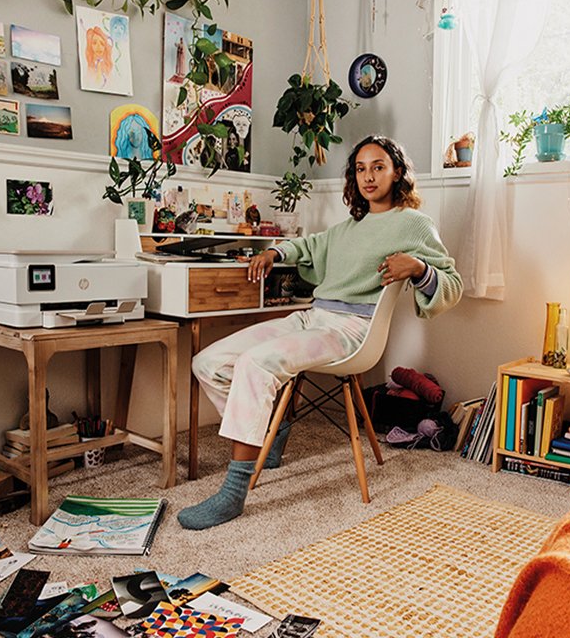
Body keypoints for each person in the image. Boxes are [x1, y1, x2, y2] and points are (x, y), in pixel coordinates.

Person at [178, 135, 463, 530]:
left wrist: (418, 267)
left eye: (378, 166)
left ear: (397, 172)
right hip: (314, 318)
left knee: (257, 364)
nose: (368, 176)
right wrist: (275, 252)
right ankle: (267, 438)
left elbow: (451, 282)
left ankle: (233, 492)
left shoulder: (414, 224)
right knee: (207, 361)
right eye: (360, 169)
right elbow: (310, 245)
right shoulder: (350, 226)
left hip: (351, 331)